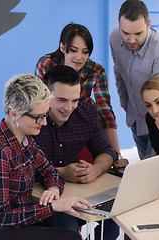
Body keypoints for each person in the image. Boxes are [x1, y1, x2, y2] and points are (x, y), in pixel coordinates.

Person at [0, 74, 92, 240]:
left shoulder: (26, 140)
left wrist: (54, 188)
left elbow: (51, 172)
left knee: (62, 229)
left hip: (12, 223)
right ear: (14, 114)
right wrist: (53, 206)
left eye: (45, 115)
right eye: (38, 117)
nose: (44, 123)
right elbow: (0, 219)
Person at [33, 65, 119, 240]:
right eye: (61, 100)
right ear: (44, 93)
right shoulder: (30, 119)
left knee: (114, 217)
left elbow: (107, 151)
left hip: (76, 192)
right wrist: (63, 172)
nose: (69, 107)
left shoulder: (86, 114)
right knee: (69, 231)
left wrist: (96, 169)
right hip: (39, 197)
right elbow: (19, 172)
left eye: (75, 100)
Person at [35, 23, 128, 168]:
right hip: (49, 125)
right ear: (62, 47)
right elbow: (37, 101)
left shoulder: (95, 70)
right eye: (73, 50)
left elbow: (105, 112)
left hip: (80, 124)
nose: (79, 57)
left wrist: (117, 155)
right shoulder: (46, 64)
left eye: (85, 52)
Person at [110, 0, 159, 159]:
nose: (131, 40)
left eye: (138, 34)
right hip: (136, 118)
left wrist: (156, 153)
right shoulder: (115, 38)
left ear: (148, 24)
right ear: (119, 24)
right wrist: (125, 105)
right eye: (126, 33)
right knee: (146, 168)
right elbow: (118, 72)